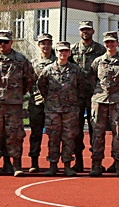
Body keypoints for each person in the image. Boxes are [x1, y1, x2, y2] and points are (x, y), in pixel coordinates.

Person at [0, 30, 36, 177]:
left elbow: (30, 79)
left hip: (14, 105)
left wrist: (17, 93)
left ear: (11, 42)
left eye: (5, 41)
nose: (2, 44)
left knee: (15, 135)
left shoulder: (21, 60)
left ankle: (16, 166)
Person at [89, 32, 119, 176]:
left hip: (118, 101)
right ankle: (96, 164)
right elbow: (92, 80)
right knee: (98, 134)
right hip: (99, 101)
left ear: (117, 43)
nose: (110, 45)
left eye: (112, 42)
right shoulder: (98, 61)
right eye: (107, 43)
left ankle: (118, 164)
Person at [36, 42, 84, 176]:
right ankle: (52, 165)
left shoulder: (76, 69)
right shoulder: (48, 69)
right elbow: (41, 85)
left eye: (65, 51)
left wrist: (72, 99)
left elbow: (81, 86)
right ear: (56, 52)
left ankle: (68, 165)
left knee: (69, 138)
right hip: (53, 110)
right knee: (53, 138)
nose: (63, 54)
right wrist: (50, 99)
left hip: (70, 110)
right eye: (60, 51)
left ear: (69, 53)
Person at [71, 20, 106, 173]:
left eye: (88, 29)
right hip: (77, 96)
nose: (85, 32)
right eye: (83, 30)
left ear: (93, 31)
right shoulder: (73, 50)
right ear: (80, 32)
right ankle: (78, 160)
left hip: (94, 96)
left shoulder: (100, 50)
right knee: (76, 130)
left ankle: (96, 162)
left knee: (95, 129)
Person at [27, 33, 56, 174]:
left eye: (48, 43)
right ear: (39, 45)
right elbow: (27, 81)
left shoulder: (58, 61)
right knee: (35, 133)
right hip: (37, 102)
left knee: (54, 135)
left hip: (54, 104)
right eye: (43, 43)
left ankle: (53, 163)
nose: (46, 46)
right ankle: (34, 162)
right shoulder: (32, 63)